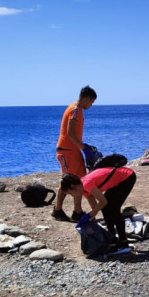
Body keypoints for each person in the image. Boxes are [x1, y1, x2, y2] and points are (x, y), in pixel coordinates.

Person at [60, 167, 136, 252]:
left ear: (73, 186)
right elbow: (95, 207)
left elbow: (103, 201)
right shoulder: (83, 190)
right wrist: (88, 220)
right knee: (106, 208)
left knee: (113, 209)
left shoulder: (86, 184)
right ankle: (112, 238)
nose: (72, 196)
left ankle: (123, 243)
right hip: (118, 179)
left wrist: (90, 214)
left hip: (127, 176)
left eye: (70, 193)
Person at [54, 85, 98, 221]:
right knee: (70, 182)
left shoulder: (77, 110)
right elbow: (71, 134)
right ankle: (61, 210)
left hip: (73, 151)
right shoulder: (75, 110)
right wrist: (84, 148)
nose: (91, 105)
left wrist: (84, 147)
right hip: (67, 151)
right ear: (86, 99)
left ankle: (74, 211)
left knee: (79, 181)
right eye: (91, 102)